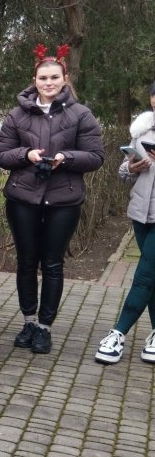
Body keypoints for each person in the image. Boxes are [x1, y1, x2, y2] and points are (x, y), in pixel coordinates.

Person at [0, 44, 104, 355]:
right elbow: (2, 154)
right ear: (34, 80)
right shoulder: (17, 114)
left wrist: (66, 158)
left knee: (53, 263)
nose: (48, 83)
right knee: (26, 262)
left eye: (54, 77)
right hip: (23, 198)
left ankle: (45, 327)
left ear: (64, 79)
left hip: (63, 199)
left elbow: (95, 156)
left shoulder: (81, 114)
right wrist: (25, 154)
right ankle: (28, 321)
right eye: (43, 78)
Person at [95, 82, 155, 364]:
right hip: (141, 214)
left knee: (144, 275)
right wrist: (132, 166)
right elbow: (124, 172)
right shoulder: (142, 130)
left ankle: (118, 332)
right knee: (152, 275)